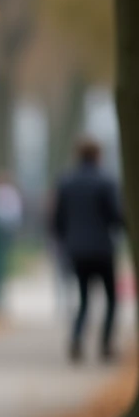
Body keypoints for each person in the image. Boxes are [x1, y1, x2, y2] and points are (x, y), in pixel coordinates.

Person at [52, 136, 125, 362]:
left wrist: (67, 241)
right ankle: (105, 344)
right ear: (97, 155)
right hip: (103, 249)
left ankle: (76, 338)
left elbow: (57, 220)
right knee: (111, 299)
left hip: (77, 251)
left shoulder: (66, 182)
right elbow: (115, 216)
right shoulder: (106, 181)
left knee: (84, 299)